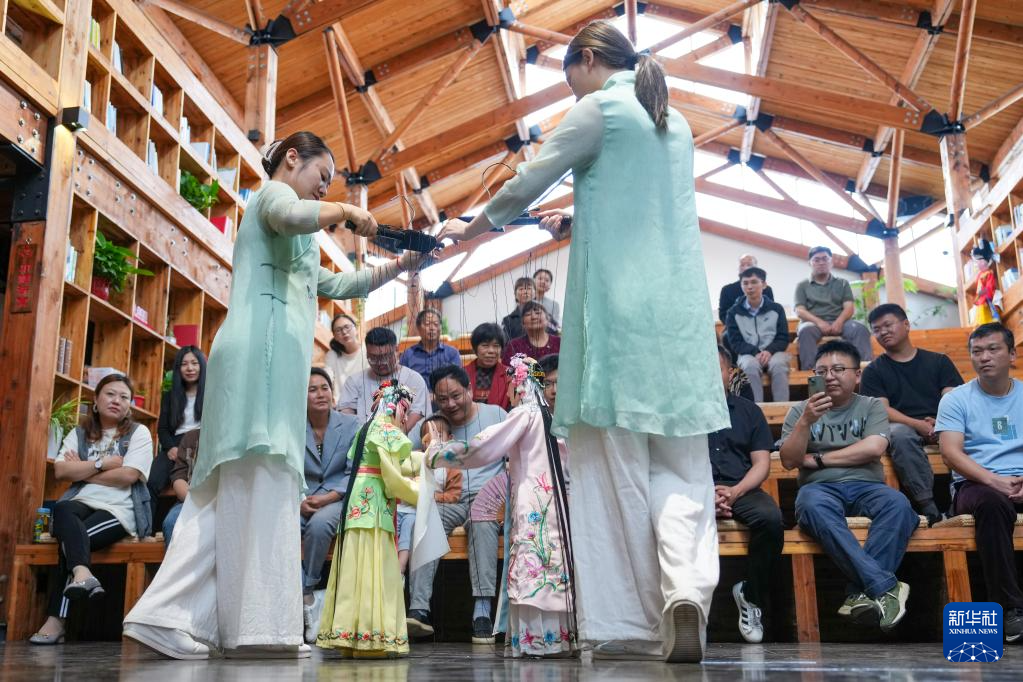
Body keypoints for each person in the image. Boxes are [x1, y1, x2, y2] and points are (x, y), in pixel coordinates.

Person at [438, 21, 728, 662]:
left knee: (619, 474)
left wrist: (471, 229)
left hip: (619, 330)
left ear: (588, 59)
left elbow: (528, 179)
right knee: (684, 472)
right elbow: (644, 210)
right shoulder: (674, 121)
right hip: (680, 330)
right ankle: (686, 589)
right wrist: (581, 213)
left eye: (571, 78)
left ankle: (636, 624)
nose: (572, 90)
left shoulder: (600, 109)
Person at [123, 131, 425, 660]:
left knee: (245, 490)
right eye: (321, 176)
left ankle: (209, 621)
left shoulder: (301, 240)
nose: (324, 188)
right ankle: (247, 626)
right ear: (291, 159)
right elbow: (291, 214)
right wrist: (345, 211)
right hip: (258, 360)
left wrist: (402, 266)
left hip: (272, 366)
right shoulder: (273, 197)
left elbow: (342, 285)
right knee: (254, 483)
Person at [425, 355, 576, 658]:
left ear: (518, 385)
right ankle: (558, 639)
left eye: (508, 384)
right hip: (557, 500)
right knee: (551, 565)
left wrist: (437, 452)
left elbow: (481, 448)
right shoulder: (550, 416)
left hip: (533, 499)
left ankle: (536, 641)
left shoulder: (524, 415)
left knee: (533, 564)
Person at [779, 340, 917, 632]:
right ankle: (885, 587)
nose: (829, 376)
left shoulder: (871, 406)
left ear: (857, 375)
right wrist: (805, 422)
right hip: (819, 489)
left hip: (867, 485)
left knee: (899, 505)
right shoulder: (800, 411)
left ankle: (861, 592)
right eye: (822, 371)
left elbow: (873, 448)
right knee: (810, 507)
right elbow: (789, 461)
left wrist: (818, 459)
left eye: (839, 369)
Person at [30, 374, 154, 645]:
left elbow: (128, 476)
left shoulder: (139, 434)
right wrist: (103, 464)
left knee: (72, 540)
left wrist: (83, 470)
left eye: (124, 397)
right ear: (96, 400)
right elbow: (61, 471)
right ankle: (83, 573)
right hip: (81, 503)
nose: (117, 400)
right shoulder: (79, 433)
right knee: (63, 509)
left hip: (120, 509)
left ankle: (56, 620)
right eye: (110, 394)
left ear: (129, 406)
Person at [316, 381, 422, 658]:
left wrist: (426, 459)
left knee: (356, 567)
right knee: (373, 567)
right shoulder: (387, 430)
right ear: (398, 408)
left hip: (358, 499)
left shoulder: (367, 428)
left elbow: (389, 463)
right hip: (373, 502)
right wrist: (420, 493)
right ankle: (370, 639)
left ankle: (349, 636)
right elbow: (393, 476)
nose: (404, 419)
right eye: (405, 411)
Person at [406, 365, 507, 644]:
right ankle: (419, 609)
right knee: (426, 518)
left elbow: (516, 456)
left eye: (456, 396)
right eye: (442, 398)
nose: (450, 404)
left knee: (482, 523)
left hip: (487, 498)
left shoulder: (497, 415)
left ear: (470, 390)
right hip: (447, 497)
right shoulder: (432, 424)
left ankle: (482, 612)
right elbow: (405, 452)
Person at [936, 322, 1023, 642]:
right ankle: (1010, 611)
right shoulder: (956, 399)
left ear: (1012, 354)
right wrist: (995, 481)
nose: (984, 357)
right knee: (992, 503)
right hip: (975, 483)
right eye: (977, 351)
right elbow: (950, 453)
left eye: (993, 349)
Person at [861, 303, 963, 524]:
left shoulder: (938, 361)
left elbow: (954, 398)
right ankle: (929, 507)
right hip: (904, 428)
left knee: (966, 428)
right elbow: (881, 410)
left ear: (906, 324)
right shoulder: (873, 371)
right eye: (876, 329)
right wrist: (918, 425)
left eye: (888, 325)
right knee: (899, 433)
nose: (883, 332)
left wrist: (941, 423)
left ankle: (961, 500)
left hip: (942, 423)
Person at [710, 347, 782, 643]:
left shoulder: (749, 411)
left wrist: (735, 491)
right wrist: (705, 496)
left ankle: (751, 597)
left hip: (742, 487)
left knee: (771, 519)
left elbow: (761, 463)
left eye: (716, 368)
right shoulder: (682, 413)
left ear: (730, 373)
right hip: (695, 489)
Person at [301, 368, 360, 643]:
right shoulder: (292, 427)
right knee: (278, 527)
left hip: (338, 496)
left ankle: (307, 591)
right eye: (312, 389)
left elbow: (355, 470)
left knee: (320, 525)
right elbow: (286, 469)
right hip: (302, 496)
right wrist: (297, 501)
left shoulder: (351, 424)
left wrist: (328, 497)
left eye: (324, 388)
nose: (320, 394)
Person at [395, 414, 462, 581]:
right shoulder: (416, 458)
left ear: (450, 439)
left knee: (409, 525)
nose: (432, 439)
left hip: (418, 511)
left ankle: (400, 569)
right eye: (427, 435)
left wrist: (434, 497)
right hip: (401, 506)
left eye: (438, 435)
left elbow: (454, 495)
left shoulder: (450, 464)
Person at [794, 246, 873, 370]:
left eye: (825, 259)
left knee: (860, 329)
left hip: (841, 322)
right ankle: (813, 374)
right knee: (805, 331)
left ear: (831, 262)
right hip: (813, 324)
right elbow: (800, 310)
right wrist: (820, 322)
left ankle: (864, 371)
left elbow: (849, 307)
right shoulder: (802, 285)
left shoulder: (842, 283)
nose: (821, 262)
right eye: (816, 260)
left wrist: (839, 322)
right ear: (810, 263)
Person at [149, 347, 206, 512]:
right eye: (184, 364)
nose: (190, 368)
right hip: (173, 445)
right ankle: (148, 526)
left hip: (200, 441)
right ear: (178, 368)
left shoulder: (211, 394)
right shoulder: (169, 396)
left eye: (194, 363)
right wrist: (171, 448)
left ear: (202, 366)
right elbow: (163, 429)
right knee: (153, 481)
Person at [340, 327, 430, 428]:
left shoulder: (413, 379)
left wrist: (398, 433)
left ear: (396, 350)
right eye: (373, 357)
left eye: (385, 357)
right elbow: (345, 413)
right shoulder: (354, 381)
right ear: (367, 354)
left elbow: (418, 413)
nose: (380, 363)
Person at [725, 267, 790, 402]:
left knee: (779, 365)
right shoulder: (733, 312)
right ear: (741, 286)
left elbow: (783, 337)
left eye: (754, 282)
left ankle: (783, 408)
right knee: (749, 366)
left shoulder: (777, 309)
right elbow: (736, 342)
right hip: (748, 354)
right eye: (745, 283)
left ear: (764, 284)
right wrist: (755, 352)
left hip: (774, 352)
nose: (749, 287)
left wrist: (769, 351)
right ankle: (756, 409)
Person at [399, 309, 461, 389]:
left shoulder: (452, 353)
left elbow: (457, 380)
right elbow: (402, 382)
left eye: (436, 324)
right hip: (417, 395)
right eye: (427, 324)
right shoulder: (408, 354)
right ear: (418, 328)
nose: (432, 328)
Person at [162, 428, 199, 545]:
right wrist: (196, 499)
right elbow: (178, 477)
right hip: (190, 498)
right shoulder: (191, 437)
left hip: (224, 499)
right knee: (172, 522)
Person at [323, 313, 367, 406]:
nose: (344, 332)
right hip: (341, 406)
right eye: (338, 330)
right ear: (334, 336)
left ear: (355, 328)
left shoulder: (367, 350)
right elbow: (327, 378)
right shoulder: (333, 355)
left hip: (365, 402)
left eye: (347, 327)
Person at [718, 254, 775, 324]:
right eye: (742, 265)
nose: (745, 268)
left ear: (756, 268)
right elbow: (723, 315)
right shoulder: (727, 290)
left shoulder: (766, 289)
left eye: (749, 265)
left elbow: (771, 312)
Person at [465, 323, 511, 409]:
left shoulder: (510, 375)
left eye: (496, 346)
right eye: (485, 345)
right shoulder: (463, 373)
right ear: (475, 348)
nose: (491, 351)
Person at [502, 277, 537, 341]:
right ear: (515, 294)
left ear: (535, 293)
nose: (525, 292)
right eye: (521, 289)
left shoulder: (545, 316)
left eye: (529, 288)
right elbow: (506, 343)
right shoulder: (508, 320)